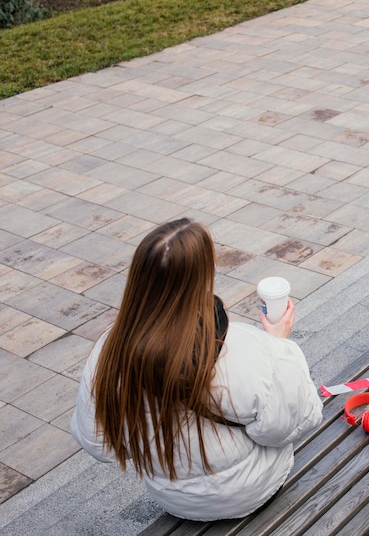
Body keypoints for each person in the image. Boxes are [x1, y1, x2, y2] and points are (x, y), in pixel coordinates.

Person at [70, 218, 323, 521]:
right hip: (254, 489)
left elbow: (100, 445)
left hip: (172, 498)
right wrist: (278, 345)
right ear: (203, 279)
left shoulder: (108, 352)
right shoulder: (245, 346)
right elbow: (290, 424)